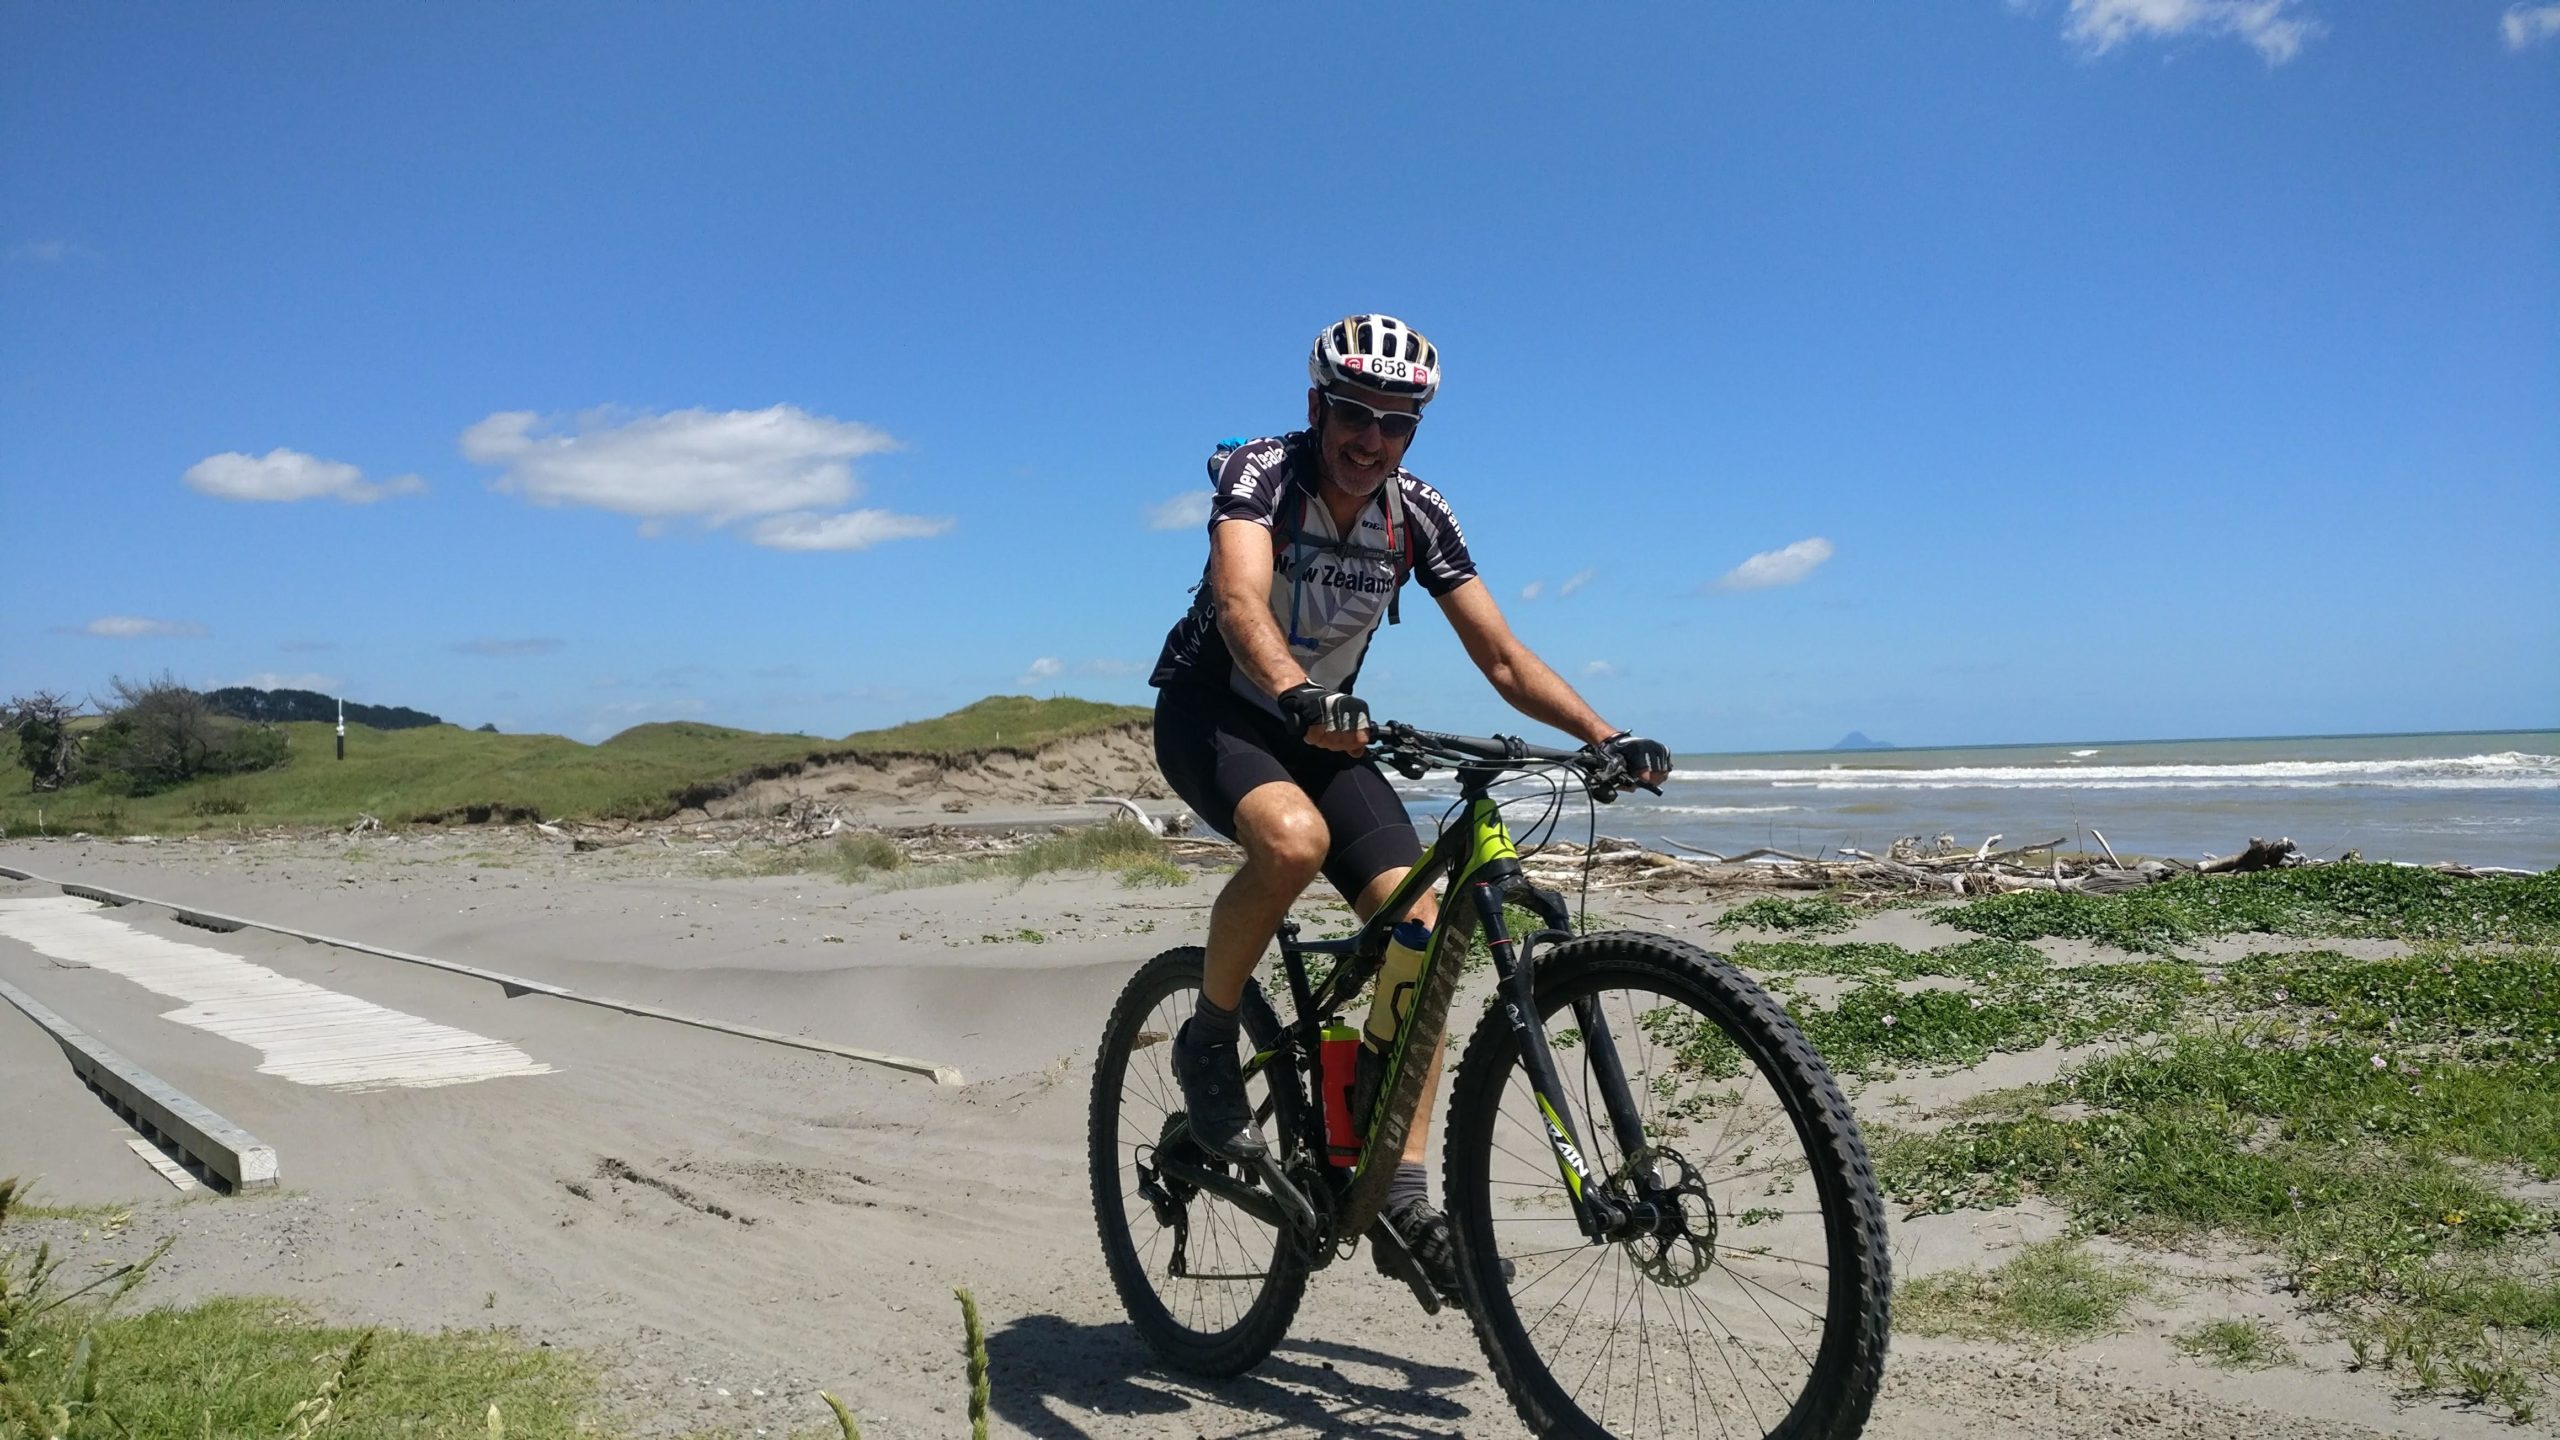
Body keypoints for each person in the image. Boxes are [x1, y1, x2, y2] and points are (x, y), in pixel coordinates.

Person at [1147, 313, 1672, 1302]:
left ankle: (1401, 1193)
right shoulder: (1263, 473)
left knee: (1419, 933)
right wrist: (1297, 692)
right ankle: (1208, 1034)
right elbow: (1240, 602)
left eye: (1397, 423)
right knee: (1292, 842)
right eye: (1354, 414)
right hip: (1218, 710)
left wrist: (1603, 737)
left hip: (1325, 728)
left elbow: (1503, 657)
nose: (1371, 439)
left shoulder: (1416, 513)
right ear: (1317, 408)